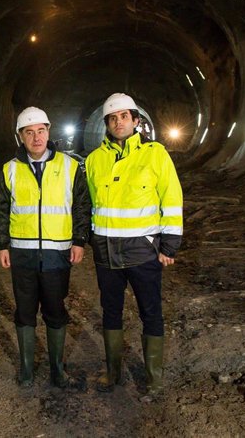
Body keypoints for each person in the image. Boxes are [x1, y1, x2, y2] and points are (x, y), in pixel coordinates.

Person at [85, 93, 183, 400]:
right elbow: (90, 202)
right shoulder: (93, 160)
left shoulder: (155, 155)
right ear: (106, 124)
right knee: (110, 312)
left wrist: (169, 244)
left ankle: (154, 379)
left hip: (142, 250)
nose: (118, 122)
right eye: (112, 118)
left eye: (124, 116)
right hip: (106, 252)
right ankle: (113, 372)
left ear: (136, 120)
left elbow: (171, 197)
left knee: (150, 312)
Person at [0, 106, 91, 388]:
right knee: (24, 312)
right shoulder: (9, 170)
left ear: (49, 132)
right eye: (29, 132)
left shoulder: (70, 167)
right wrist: (1, 244)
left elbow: (82, 206)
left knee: (55, 310)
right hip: (21, 254)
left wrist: (79, 240)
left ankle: (57, 368)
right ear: (20, 137)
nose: (36, 138)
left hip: (57, 253)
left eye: (41, 131)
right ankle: (26, 368)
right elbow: (0, 210)